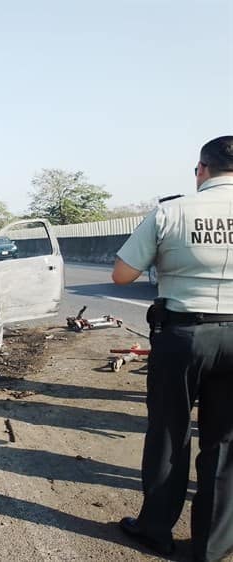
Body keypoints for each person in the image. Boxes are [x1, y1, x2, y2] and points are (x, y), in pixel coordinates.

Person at [112, 135, 233, 562]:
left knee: (169, 432)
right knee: (225, 442)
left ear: (201, 170)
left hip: (183, 336)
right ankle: (211, 547)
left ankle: (156, 530)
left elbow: (122, 276)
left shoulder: (172, 211)